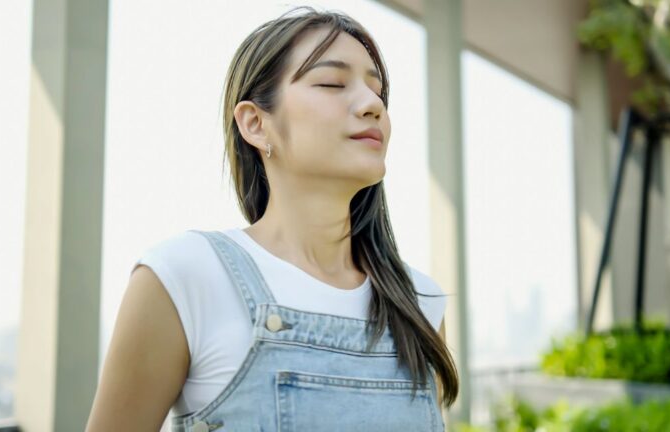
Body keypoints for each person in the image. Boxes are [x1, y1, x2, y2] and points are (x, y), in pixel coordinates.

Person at [86, 6, 459, 431]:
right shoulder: (185, 276)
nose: (372, 104)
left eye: (378, 92)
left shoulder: (419, 302)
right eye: (332, 82)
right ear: (256, 124)